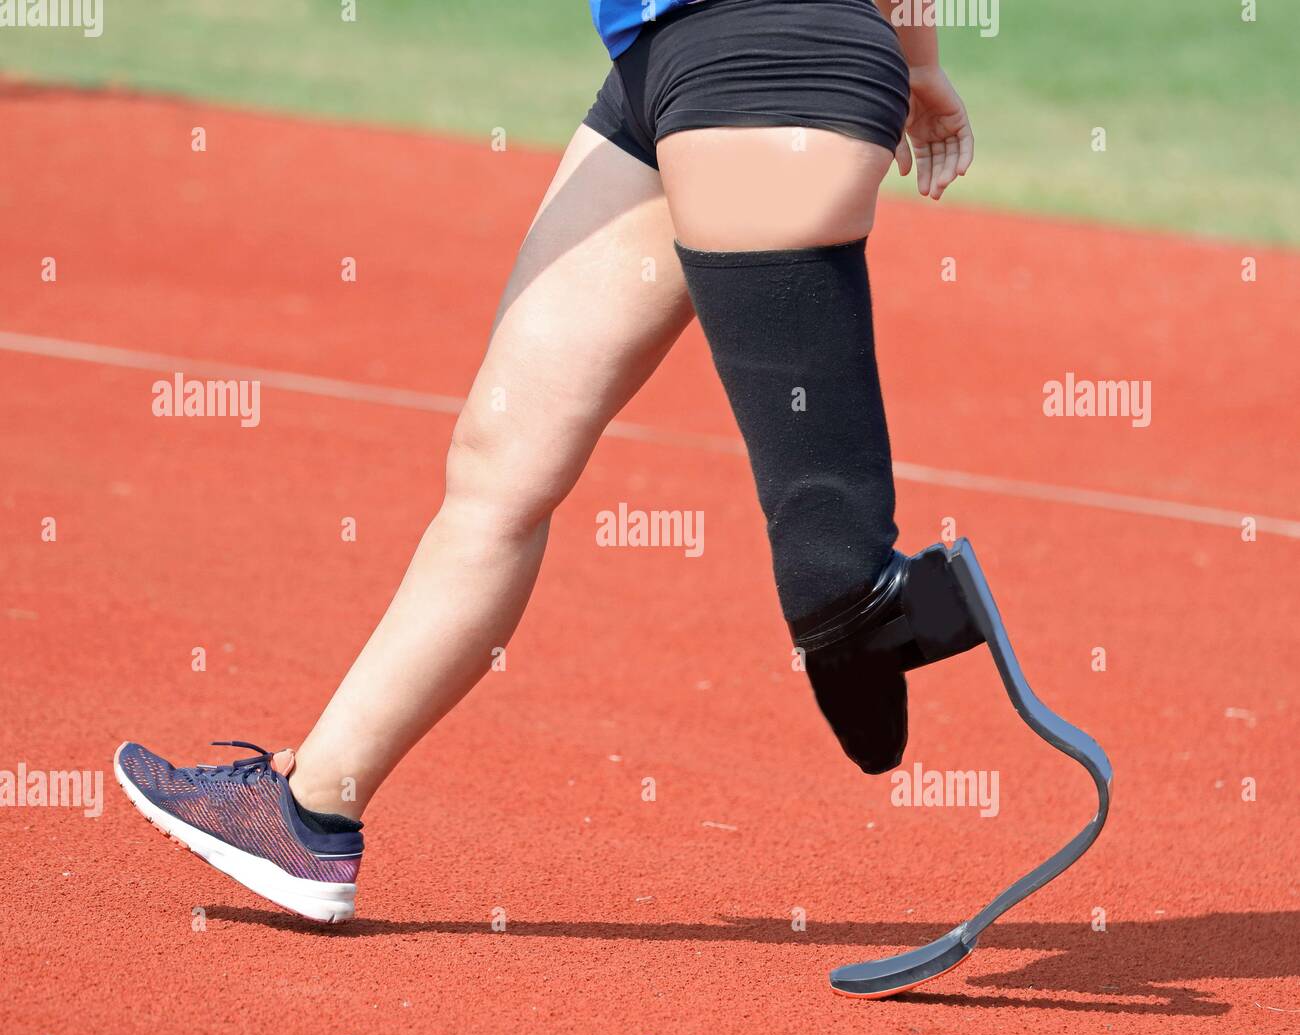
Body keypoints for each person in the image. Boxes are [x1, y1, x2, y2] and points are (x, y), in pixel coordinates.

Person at [114, 0, 975, 924]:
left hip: (765, 56)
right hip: (657, 71)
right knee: (499, 464)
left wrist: (914, 61)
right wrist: (917, 67)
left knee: (833, 575)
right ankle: (314, 808)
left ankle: (888, 613)